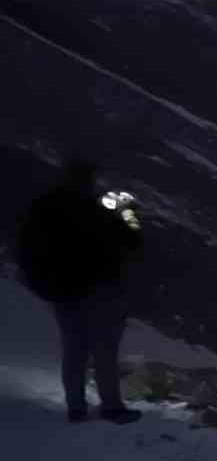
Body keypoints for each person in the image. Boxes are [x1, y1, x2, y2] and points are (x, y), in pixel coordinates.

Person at [17, 163, 142, 423]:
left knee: (74, 351)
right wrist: (128, 212)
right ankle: (111, 407)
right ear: (90, 181)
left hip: (63, 291)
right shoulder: (98, 210)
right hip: (102, 290)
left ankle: (76, 408)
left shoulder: (45, 208)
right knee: (104, 351)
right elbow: (133, 241)